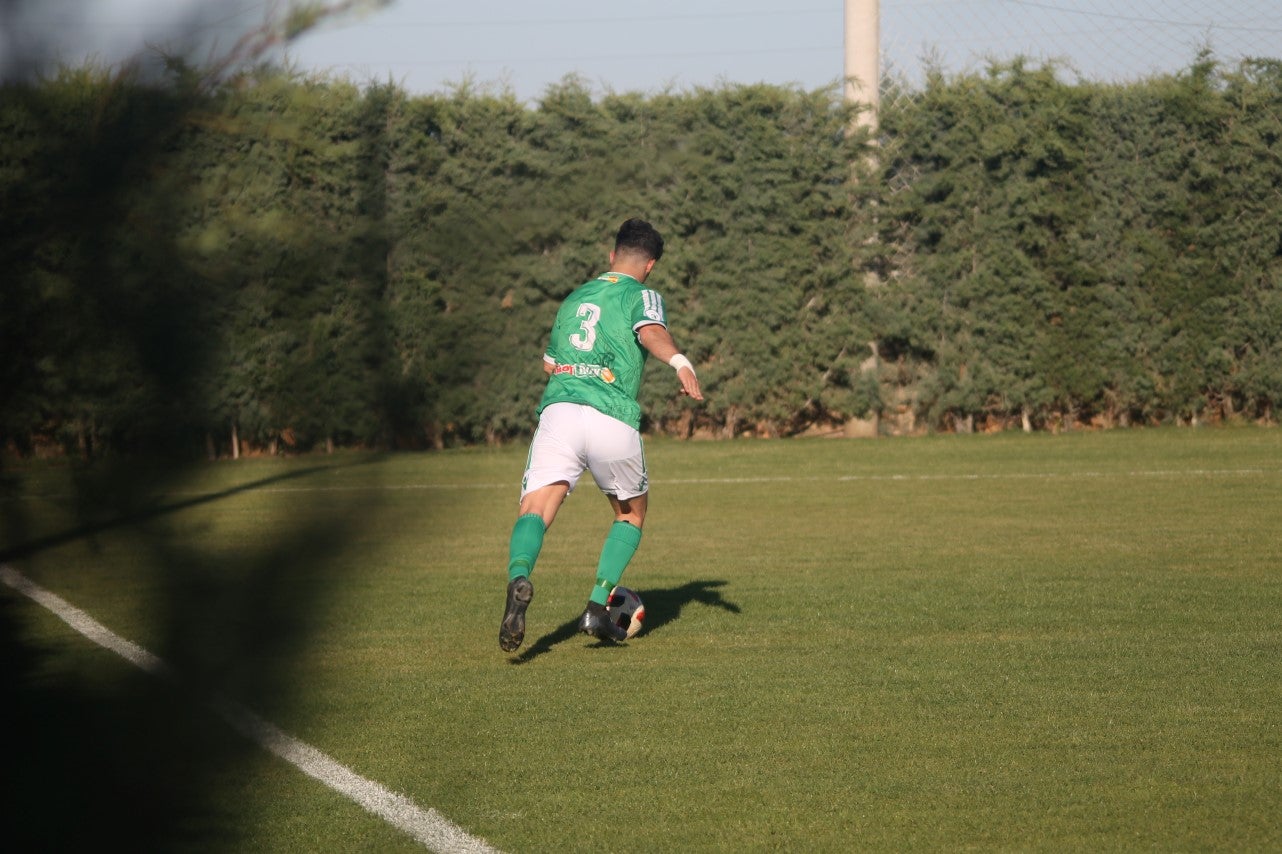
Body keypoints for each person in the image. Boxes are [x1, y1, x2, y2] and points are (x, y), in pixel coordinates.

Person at [499, 218, 703, 651]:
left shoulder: (574, 298)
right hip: (611, 415)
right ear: (650, 265)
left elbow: (550, 364)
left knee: (535, 507)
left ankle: (519, 577)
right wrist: (680, 362)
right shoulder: (642, 295)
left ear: (612, 256)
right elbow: (651, 332)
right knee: (630, 514)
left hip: (561, 412)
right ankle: (596, 605)